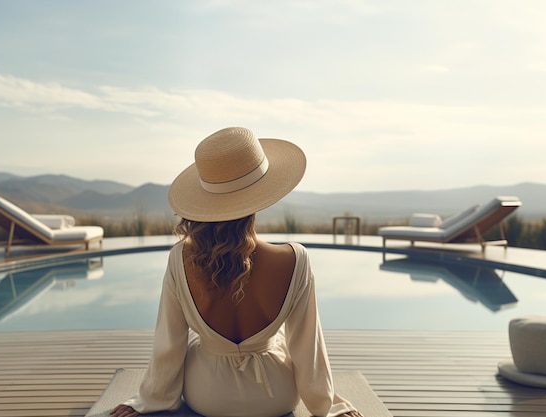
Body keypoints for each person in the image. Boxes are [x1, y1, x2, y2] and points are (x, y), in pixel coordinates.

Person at [111, 127, 363, 417]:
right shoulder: (295, 259)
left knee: (197, 342)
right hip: (275, 398)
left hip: (208, 397)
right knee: (279, 340)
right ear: (262, 194)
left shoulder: (180, 259)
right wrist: (328, 405)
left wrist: (150, 399)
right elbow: (307, 346)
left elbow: (169, 343)